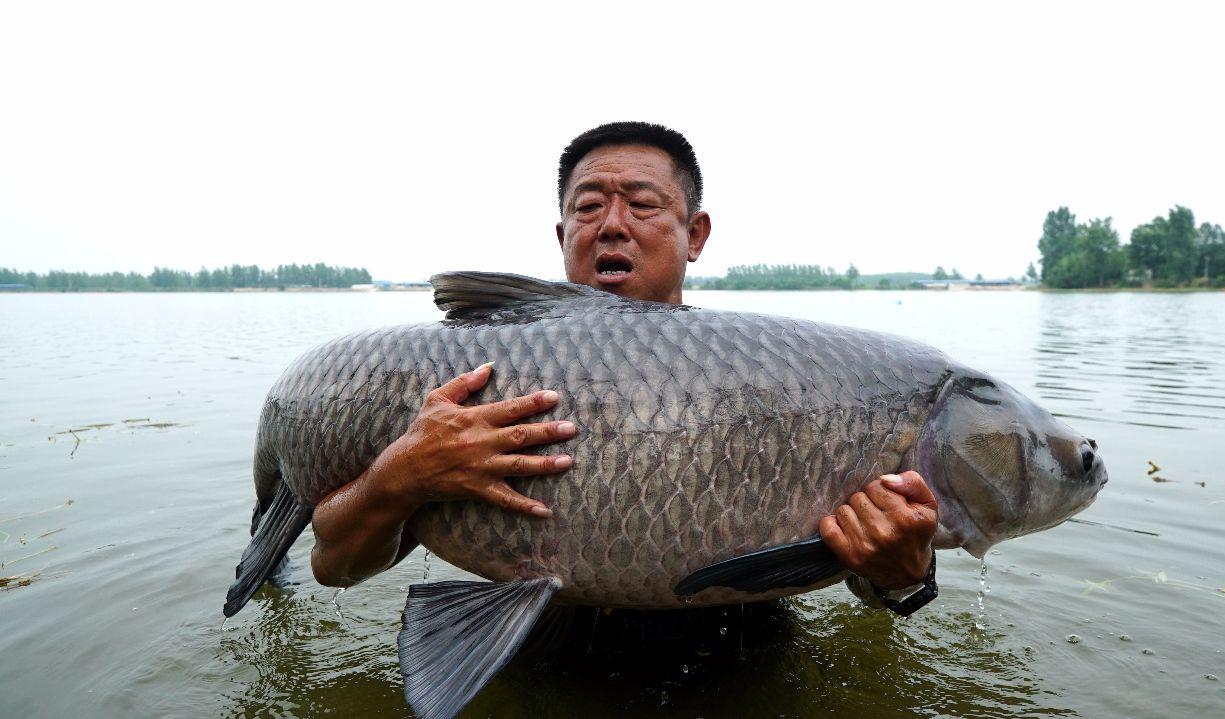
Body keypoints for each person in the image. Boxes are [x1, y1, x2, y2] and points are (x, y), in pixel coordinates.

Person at [309, 122, 939, 618]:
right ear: (562, 234)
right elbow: (334, 567)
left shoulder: (787, 378)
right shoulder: (473, 380)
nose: (612, 225)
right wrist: (399, 480)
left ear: (695, 234)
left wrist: (907, 576)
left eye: (641, 204)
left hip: (745, 654)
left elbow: (887, 593)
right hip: (544, 647)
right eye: (588, 208)